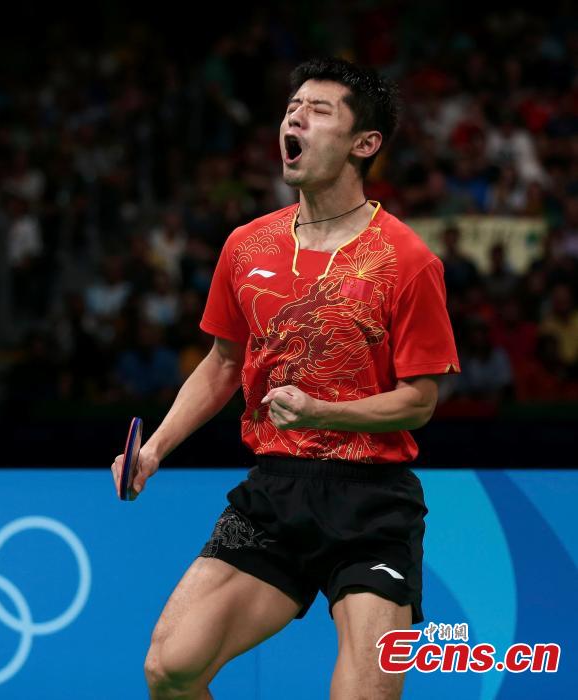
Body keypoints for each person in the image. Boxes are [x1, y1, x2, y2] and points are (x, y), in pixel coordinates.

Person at [110, 57, 460, 700]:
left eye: (319, 110)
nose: (296, 116)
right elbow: (221, 364)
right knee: (170, 669)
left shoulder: (408, 260)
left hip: (373, 502)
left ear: (365, 144)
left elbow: (420, 402)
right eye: (293, 107)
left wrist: (325, 413)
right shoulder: (247, 246)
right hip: (275, 494)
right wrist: (155, 449)